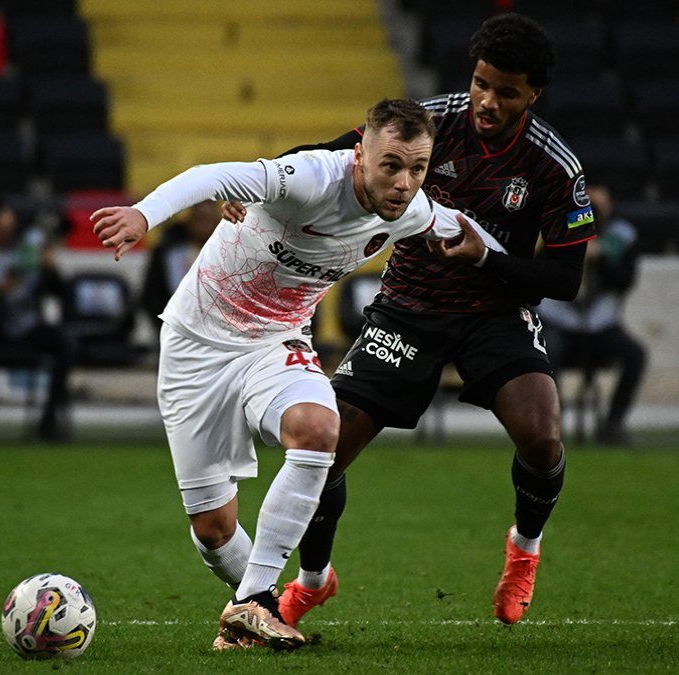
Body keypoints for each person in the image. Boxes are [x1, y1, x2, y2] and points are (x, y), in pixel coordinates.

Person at [91, 99, 503, 651]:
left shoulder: (411, 209)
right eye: (391, 165)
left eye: (418, 168)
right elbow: (209, 175)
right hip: (196, 347)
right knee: (213, 531)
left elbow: (465, 229)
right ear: (360, 156)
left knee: (318, 429)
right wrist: (143, 214)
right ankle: (262, 598)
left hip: (275, 343)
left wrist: (502, 271)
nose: (405, 182)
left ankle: (254, 604)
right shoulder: (310, 177)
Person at [246, 13, 596, 628]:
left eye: (506, 91)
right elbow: (331, 153)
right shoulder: (433, 122)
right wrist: (258, 182)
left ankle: (524, 551)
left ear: (533, 93)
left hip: (494, 314)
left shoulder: (554, 167)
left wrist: (487, 256)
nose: (487, 100)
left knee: (542, 439)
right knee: (323, 453)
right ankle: (312, 580)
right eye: (482, 82)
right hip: (407, 308)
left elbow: (564, 281)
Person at [0, 196, 75, 441]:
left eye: (9, 222)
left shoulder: (28, 246)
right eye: (1, 221)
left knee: (66, 343)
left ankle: (49, 418)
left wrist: (49, 269)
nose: (7, 228)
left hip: (26, 323)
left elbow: (59, 291)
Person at [538, 185, 647, 446]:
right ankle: (552, 426)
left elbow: (624, 281)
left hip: (599, 326)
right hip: (558, 322)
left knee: (635, 355)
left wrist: (601, 259)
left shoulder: (620, 237)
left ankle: (612, 425)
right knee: (545, 353)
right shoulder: (553, 231)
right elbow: (541, 273)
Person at [140, 199, 219, 340]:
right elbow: (152, 295)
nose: (203, 226)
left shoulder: (230, 250)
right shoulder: (170, 251)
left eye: (208, 220)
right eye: (200, 219)